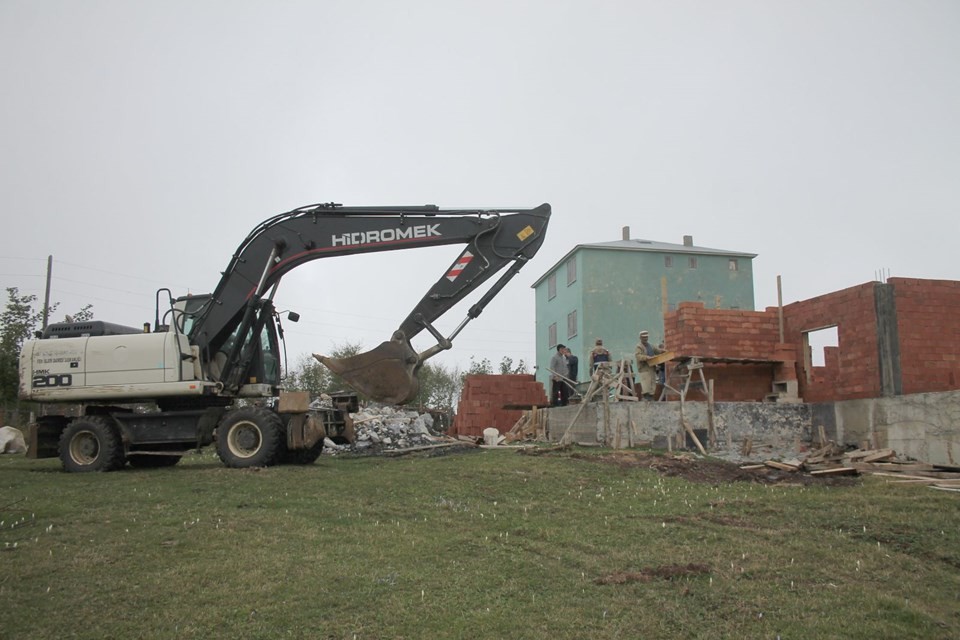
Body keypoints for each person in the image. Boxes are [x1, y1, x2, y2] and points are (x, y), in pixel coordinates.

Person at [634, 330, 665, 400]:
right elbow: (638, 356)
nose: (645, 339)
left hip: (651, 367)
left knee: (652, 383)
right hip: (644, 368)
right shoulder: (639, 347)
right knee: (646, 384)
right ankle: (646, 398)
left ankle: (651, 398)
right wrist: (647, 357)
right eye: (644, 337)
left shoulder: (650, 345)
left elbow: (657, 351)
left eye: (646, 337)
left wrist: (663, 351)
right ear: (641, 338)